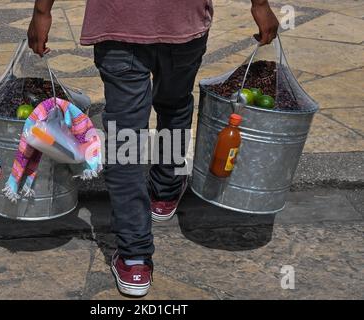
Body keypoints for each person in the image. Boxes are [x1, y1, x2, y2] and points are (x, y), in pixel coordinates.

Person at [28, 0, 279, 297]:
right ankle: (164, 191)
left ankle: (135, 259)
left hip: (120, 23)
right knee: (174, 104)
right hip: (182, 21)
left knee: (126, 140)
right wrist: (260, 4)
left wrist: (42, 11)